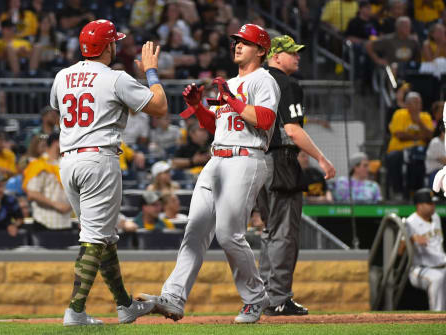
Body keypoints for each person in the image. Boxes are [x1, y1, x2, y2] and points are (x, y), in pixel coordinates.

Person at [141, 23, 280, 324]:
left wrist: (230, 99)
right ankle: (174, 298)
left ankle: (255, 298)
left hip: (246, 157)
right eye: (236, 41)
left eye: (246, 41)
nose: (238, 45)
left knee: (230, 235)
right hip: (217, 157)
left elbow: (266, 119)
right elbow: (215, 127)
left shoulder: (263, 80)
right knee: (195, 232)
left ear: (261, 50)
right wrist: (197, 106)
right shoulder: (230, 82)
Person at [49, 19, 167, 326]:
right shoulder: (115, 77)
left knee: (103, 237)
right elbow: (159, 106)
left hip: (69, 162)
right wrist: (150, 72)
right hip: (99, 161)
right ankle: (75, 311)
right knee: (94, 237)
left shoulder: (62, 76)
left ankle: (125, 305)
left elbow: (56, 106)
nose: (117, 45)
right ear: (107, 46)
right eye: (114, 41)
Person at [256, 35, 336, 317]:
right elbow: (292, 130)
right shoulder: (286, 83)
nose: (297, 57)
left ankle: (266, 296)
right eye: (292, 53)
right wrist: (322, 158)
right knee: (284, 235)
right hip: (280, 161)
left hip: (255, 163)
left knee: (269, 232)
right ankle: (278, 298)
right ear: (276, 56)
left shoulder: (254, 81)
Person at [398, 188, 446, 311]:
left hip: (442, 264)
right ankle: (437, 318)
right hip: (421, 269)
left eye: (434, 203)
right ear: (419, 206)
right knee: (437, 278)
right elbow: (399, 251)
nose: (433, 206)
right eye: (430, 203)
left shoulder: (435, 217)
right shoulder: (410, 222)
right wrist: (411, 238)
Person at [386, 92, 434, 199]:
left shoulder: (425, 116)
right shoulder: (400, 114)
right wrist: (419, 136)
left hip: (421, 151)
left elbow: (430, 136)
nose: (418, 105)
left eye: (419, 103)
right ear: (407, 104)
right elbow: (399, 135)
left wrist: (419, 122)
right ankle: (398, 192)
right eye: (414, 103)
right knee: (393, 157)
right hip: (399, 150)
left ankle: (423, 192)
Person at [23, 133, 72, 231]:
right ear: (56, 143)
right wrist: (56, 204)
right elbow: (32, 193)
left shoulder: (66, 164)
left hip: (66, 223)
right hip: (45, 223)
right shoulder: (39, 165)